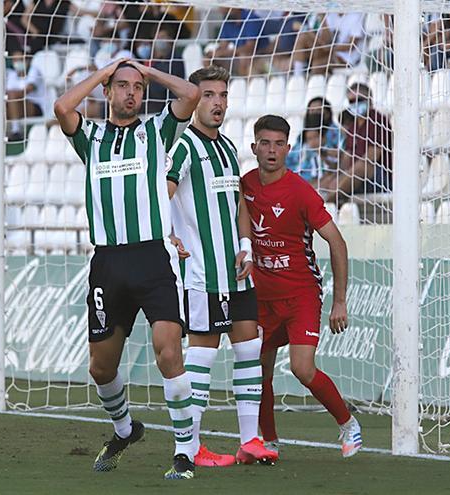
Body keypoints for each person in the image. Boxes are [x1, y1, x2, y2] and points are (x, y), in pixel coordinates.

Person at [54, 58, 200, 479]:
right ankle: (125, 429)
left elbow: (190, 95)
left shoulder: (158, 131)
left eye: (137, 87)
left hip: (152, 257)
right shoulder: (91, 137)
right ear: (109, 91)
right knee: (101, 367)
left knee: (169, 350)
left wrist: (148, 72)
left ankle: (184, 453)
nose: (131, 93)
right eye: (122, 86)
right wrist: (102, 73)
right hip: (108, 263)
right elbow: (63, 108)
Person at [166, 65, 279, 468]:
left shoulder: (229, 148)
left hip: (235, 270)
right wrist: (169, 236)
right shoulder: (183, 147)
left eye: (223, 95)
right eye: (209, 95)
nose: (218, 103)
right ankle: (191, 444)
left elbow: (239, 206)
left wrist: (246, 246)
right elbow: (163, 194)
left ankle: (249, 440)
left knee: (249, 347)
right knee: (203, 356)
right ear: (194, 99)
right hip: (202, 273)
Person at [241, 115, 361, 459]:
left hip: (300, 295)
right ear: (254, 147)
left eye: (279, 144)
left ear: (289, 149)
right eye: (265, 143)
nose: (271, 150)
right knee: (257, 369)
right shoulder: (244, 185)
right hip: (261, 297)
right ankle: (270, 440)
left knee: (301, 368)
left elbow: (337, 243)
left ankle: (348, 423)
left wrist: (340, 301)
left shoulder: (300, 192)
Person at [322, 83, 392, 203]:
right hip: (355, 179)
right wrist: (336, 177)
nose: (355, 104)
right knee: (328, 177)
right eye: (351, 101)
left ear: (369, 100)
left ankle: (328, 202)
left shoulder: (378, 120)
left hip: (379, 178)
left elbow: (372, 157)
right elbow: (346, 159)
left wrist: (343, 179)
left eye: (359, 99)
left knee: (363, 166)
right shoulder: (353, 126)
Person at [292, 13, 365, 74]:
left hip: (345, 58)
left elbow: (351, 46)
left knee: (318, 64)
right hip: (329, 51)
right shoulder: (331, 14)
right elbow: (325, 41)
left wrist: (331, 48)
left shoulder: (355, 16)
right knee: (303, 38)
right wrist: (323, 18)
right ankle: (297, 76)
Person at [6, 50, 47, 141]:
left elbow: (27, 90)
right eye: (15, 60)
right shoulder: (11, 74)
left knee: (12, 97)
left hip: (35, 107)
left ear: (27, 60)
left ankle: (16, 131)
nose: (18, 63)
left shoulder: (34, 71)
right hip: (16, 107)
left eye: (21, 59)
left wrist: (11, 95)